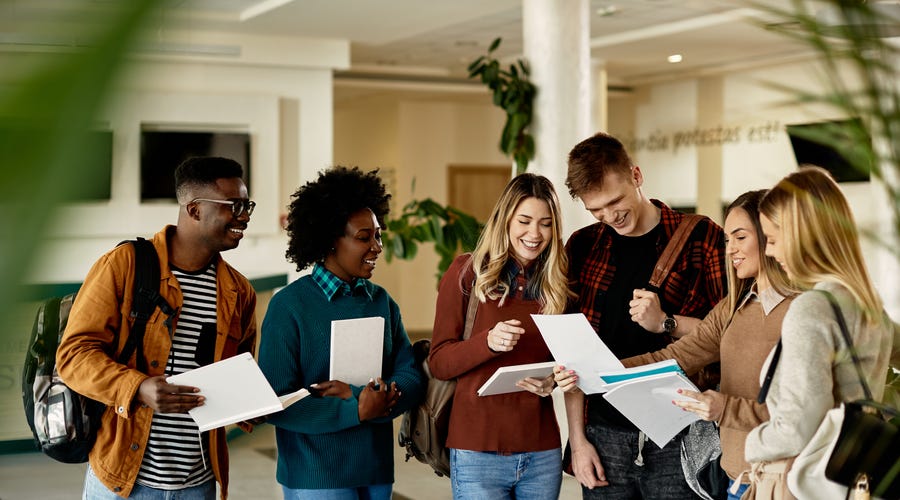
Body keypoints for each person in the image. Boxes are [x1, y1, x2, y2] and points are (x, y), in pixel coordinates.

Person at [56, 156, 259, 499]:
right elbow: (74, 356)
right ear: (194, 210)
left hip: (200, 482)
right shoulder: (124, 265)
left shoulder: (238, 291)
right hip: (123, 480)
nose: (245, 216)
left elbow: (240, 371)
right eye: (235, 205)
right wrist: (137, 388)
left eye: (247, 205)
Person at [559, 132, 727, 499]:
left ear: (636, 176)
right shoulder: (584, 246)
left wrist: (666, 322)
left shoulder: (701, 238)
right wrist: (577, 440)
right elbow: (572, 355)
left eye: (615, 201)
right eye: (595, 210)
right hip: (604, 434)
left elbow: (728, 338)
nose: (609, 216)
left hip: (680, 432)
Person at [607, 189, 795, 500]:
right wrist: (598, 371)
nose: (730, 249)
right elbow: (674, 357)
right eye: (727, 240)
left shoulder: (804, 310)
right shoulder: (732, 307)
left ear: (770, 236)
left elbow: (802, 411)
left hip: (786, 483)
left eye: (740, 237)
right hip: (736, 480)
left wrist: (724, 408)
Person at [258, 166, 426, 500]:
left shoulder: (381, 301)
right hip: (315, 475)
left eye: (378, 235)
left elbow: (410, 373)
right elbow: (273, 402)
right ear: (330, 240)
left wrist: (378, 396)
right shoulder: (290, 306)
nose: (377, 247)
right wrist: (358, 409)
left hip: (375, 469)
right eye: (364, 238)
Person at [743, 166, 894, 498]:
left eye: (772, 239)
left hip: (798, 479)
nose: (768, 252)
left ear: (802, 237)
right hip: (852, 477)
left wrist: (752, 443)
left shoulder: (812, 308)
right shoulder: (869, 305)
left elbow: (797, 428)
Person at [428, 173, 572, 499]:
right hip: (477, 451)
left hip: (542, 450)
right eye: (524, 221)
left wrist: (552, 378)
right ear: (504, 219)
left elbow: (566, 359)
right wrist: (487, 342)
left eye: (545, 223)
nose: (534, 234)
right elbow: (439, 362)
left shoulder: (559, 284)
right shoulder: (467, 273)